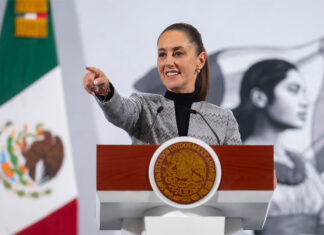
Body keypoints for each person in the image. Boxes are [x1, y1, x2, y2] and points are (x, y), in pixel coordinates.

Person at [83, 23, 242, 145]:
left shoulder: (223, 120)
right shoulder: (144, 109)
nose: (168, 62)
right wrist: (105, 90)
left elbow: (240, 175)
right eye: (162, 55)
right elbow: (120, 112)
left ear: (200, 60)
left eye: (178, 53)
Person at [233, 59, 324, 235]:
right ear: (260, 97)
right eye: (293, 90)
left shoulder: (304, 166)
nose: (305, 102)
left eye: (304, 92)